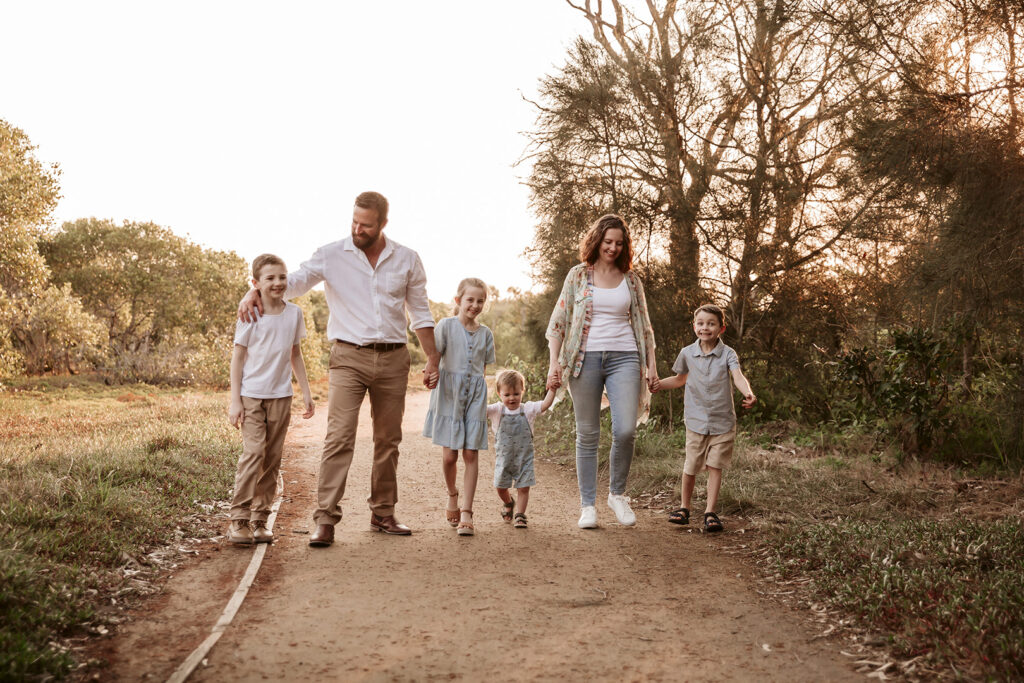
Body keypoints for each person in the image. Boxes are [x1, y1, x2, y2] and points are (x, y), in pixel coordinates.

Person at [239, 191, 440, 547]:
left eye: (366, 224)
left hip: (394, 358)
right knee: (339, 437)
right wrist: (253, 291)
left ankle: (383, 512)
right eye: (354, 221)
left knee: (388, 441)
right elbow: (293, 282)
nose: (358, 229)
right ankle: (325, 519)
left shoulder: (407, 259)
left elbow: (420, 312)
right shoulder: (332, 254)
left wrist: (432, 358)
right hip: (348, 357)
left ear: (383, 223)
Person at [545, 214, 659, 530]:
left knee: (625, 429)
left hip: (625, 357)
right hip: (585, 359)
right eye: (608, 241)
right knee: (588, 433)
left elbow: (645, 326)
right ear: (597, 241)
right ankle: (587, 506)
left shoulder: (632, 281)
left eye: (619, 243)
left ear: (625, 247)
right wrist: (555, 363)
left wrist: (651, 364)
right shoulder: (578, 276)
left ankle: (617, 494)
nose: (612, 247)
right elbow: (559, 322)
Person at [227, 254, 315, 545]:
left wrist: (306, 392)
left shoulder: (294, 314)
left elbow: (295, 354)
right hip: (252, 396)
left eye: (282, 276)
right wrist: (235, 400)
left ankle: (260, 520)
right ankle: (238, 519)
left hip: (281, 396)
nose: (278, 282)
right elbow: (238, 357)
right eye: (270, 278)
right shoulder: (250, 313)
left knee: (272, 460)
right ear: (256, 283)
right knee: (253, 454)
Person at [655, 304, 756, 533]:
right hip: (696, 420)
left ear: (721, 328)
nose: (705, 328)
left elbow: (738, 377)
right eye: (700, 323)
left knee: (715, 466)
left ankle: (710, 512)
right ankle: (684, 508)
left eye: (711, 324)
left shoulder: (728, 353)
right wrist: (658, 385)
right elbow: (680, 379)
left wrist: (748, 393)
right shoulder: (687, 353)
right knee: (690, 466)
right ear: (694, 326)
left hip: (722, 423)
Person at [422, 278, 495, 537]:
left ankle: (467, 511)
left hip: (475, 396)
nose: (475, 305)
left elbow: (482, 371)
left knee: (471, 455)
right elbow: (434, 359)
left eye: (480, 301)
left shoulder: (486, 334)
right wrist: (430, 373)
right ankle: (452, 493)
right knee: (450, 456)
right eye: (470, 300)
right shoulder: (445, 326)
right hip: (448, 396)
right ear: (458, 301)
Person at [487, 369, 555, 529]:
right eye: (507, 395)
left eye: (516, 394)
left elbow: (545, 404)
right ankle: (509, 502)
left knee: (523, 487)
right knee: (500, 487)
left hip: (524, 459)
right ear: (499, 394)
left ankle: (520, 515)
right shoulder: (497, 410)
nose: (512, 398)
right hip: (503, 461)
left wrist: (552, 388)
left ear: (522, 391)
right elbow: (479, 408)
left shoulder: (528, 409)